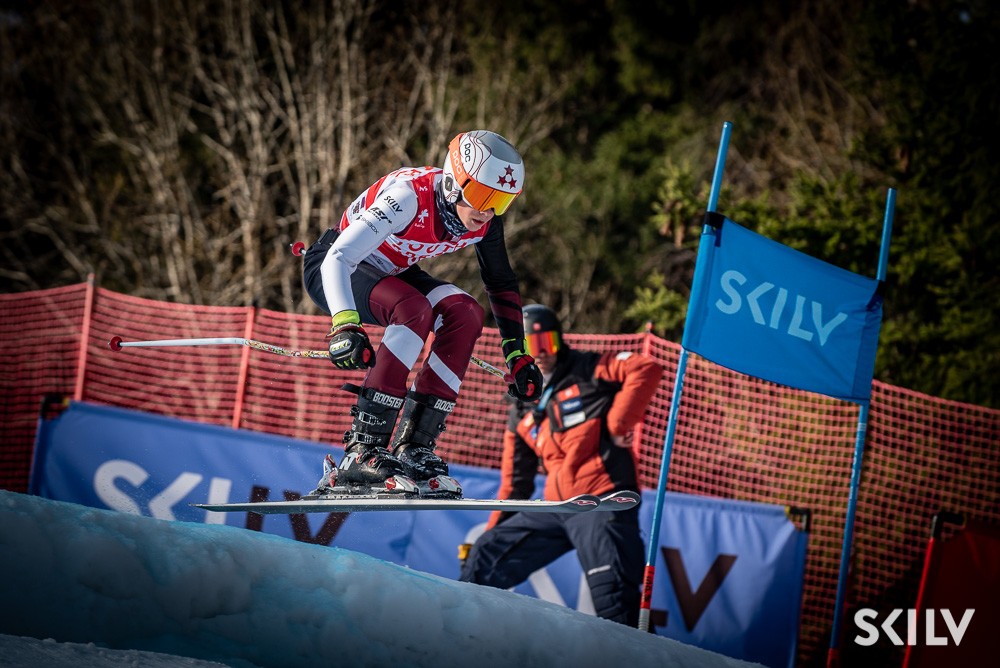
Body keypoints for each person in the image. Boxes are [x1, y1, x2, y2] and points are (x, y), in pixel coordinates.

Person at [301, 130, 543, 499]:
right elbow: (340, 256)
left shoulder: (485, 221)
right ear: (454, 182)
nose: (487, 211)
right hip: (335, 268)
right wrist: (344, 323)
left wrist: (517, 353)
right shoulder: (408, 197)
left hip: (391, 270)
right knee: (413, 309)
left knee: (466, 313)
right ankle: (362, 450)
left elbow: (500, 282)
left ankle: (414, 447)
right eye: (482, 195)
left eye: (501, 201)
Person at [458, 304, 663, 626]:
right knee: (485, 556)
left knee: (613, 598)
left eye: (548, 343)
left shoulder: (588, 368)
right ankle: (459, 630)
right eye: (532, 345)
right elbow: (515, 483)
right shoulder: (521, 407)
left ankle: (646, 652)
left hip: (601, 499)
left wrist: (618, 424)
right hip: (559, 505)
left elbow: (645, 367)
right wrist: (492, 529)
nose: (542, 354)